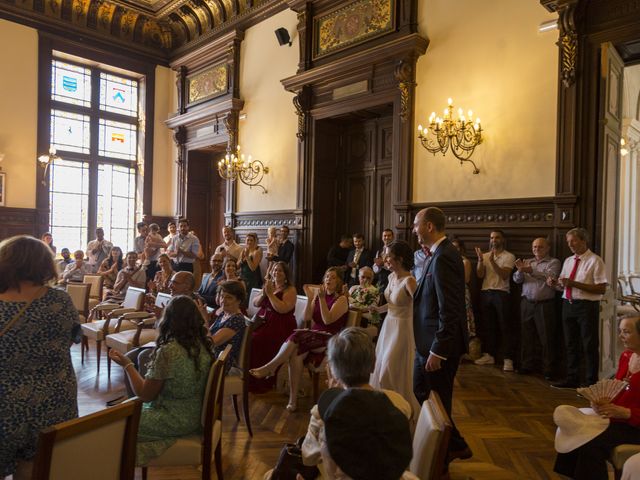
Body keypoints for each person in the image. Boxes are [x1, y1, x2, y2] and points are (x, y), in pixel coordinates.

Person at [0, 235, 79, 479]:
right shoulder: (60, 300)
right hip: (53, 400)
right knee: (35, 469)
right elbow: (72, 338)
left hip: (5, 403)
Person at [108, 295, 214, 466]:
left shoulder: (169, 351)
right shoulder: (203, 344)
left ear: (169, 319)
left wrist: (127, 364)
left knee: (113, 424)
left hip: (174, 419)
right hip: (193, 413)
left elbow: (145, 394)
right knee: (124, 408)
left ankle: (114, 467)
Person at [300, 328, 415, 480]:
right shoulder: (399, 403)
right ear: (373, 364)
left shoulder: (322, 412)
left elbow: (308, 458)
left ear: (333, 369)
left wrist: (333, 399)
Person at [412, 206, 471, 461]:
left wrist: (439, 349)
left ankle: (444, 455)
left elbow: (450, 308)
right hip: (425, 343)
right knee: (420, 390)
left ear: (429, 227)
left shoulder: (446, 255)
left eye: (416, 224)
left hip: (438, 346)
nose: (414, 229)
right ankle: (454, 443)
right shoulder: (435, 255)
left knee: (439, 401)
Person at [250, 267, 349, 412]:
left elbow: (327, 321)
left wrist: (321, 299)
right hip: (314, 336)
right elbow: (307, 317)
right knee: (296, 355)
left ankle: (271, 367)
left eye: (333, 277)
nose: (328, 279)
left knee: (296, 335)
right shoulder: (319, 296)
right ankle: (293, 400)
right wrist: (310, 299)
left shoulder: (341, 300)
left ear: (339, 281)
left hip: (331, 338)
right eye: (327, 276)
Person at [553, 315, 640, 480]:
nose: (621, 336)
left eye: (626, 332)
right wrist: (603, 402)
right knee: (572, 428)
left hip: (635, 425)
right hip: (618, 419)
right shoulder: (627, 356)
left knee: (588, 443)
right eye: (620, 331)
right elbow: (618, 390)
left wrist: (626, 413)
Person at [548, 228, 608, 388]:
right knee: (570, 344)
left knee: (589, 345)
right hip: (568, 304)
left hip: (587, 306)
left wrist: (573, 283)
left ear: (583, 240)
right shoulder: (568, 261)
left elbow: (601, 289)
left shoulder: (595, 261)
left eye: (573, 241)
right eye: (568, 242)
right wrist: (555, 285)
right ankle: (572, 378)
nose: (570, 245)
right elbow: (564, 286)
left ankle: (591, 382)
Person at [369, 240, 420, 418]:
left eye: (388, 256)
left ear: (399, 259)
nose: (385, 259)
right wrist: (378, 309)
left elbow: (419, 308)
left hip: (402, 330)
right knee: (380, 367)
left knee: (389, 370)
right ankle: (385, 410)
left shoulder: (410, 282)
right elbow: (392, 305)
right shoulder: (391, 278)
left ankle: (400, 409)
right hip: (388, 326)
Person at [512, 237, 561, 378]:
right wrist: (521, 271)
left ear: (547, 248)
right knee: (527, 336)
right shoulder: (528, 261)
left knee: (546, 338)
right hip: (527, 303)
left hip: (544, 304)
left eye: (540, 247)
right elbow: (517, 280)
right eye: (534, 247)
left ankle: (548, 370)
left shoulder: (553, 262)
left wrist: (530, 270)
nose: (536, 250)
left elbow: (550, 276)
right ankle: (527, 365)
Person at [249, 261, 297, 393]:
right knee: (249, 338)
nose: (276, 272)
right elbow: (256, 303)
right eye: (275, 270)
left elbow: (283, 309)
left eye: (280, 270)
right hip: (264, 320)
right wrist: (265, 293)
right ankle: (250, 377)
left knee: (257, 340)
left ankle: (264, 381)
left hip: (281, 324)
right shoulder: (270, 286)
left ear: (286, 275)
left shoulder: (290, 289)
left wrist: (270, 295)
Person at [474, 230, 516, 371]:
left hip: (501, 294)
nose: (494, 240)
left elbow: (504, 275)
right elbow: (480, 275)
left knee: (505, 327)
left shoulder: (509, 256)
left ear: (502, 240)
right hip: (486, 293)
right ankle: (489, 355)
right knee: (488, 326)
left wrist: (492, 262)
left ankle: (508, 359)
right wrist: (481, 261)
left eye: (497, 237)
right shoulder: (485, 256)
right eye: (492, 237)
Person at [208, 280, 247, 374]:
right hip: (211, 356)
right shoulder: (224, 313)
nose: (223, 301)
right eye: (222, 296)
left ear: (239, 300)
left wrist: (204, 320)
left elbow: (211, 342)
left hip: (220, 363)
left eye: (229, 297)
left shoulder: (237, 319)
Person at [451, 238, 477, 340]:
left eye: (457, 247)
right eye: (452, 247)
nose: (454, 249)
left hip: (461, 292)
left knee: (463, 316)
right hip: (450, 292)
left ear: (461, 249)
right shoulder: (448, 260)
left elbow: (466, 279)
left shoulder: (465, 261)